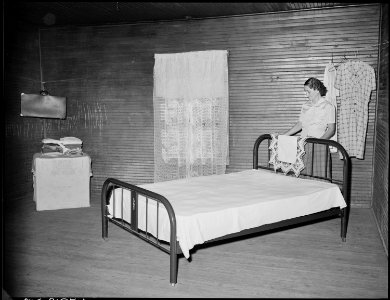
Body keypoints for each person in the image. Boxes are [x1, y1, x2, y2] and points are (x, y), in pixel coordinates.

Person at [283, 77, 336, 178]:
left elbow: (331, 129)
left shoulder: (329, 107)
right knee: (302, 175)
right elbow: (300, 124)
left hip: (319, 145)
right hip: (303, 144)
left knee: (319, 177)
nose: (305, 94)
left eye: (308, 91)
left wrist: (318, 143)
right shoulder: (305, 106)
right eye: (305, 92)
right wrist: (284, 135)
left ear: (316, 90)